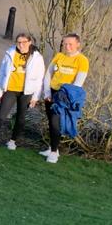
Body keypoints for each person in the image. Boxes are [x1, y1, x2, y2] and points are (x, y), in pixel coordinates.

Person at [0, 33, 45, 152]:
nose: (21, 45)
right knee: (1, 116)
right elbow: (2, 72)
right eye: (18, 42)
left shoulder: (37, 57)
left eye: (24, 42)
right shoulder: (10, 52)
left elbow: (39, 78)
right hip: (10, 90)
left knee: (21, 118)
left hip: (26, 92)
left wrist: (36, 96)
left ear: (29, 42)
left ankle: (12, 141)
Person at [40, 33, 90, 164]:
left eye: (70, 44)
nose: (67, 46)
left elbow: (78, 83)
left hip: (65, 95)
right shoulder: (59, 56)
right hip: (51, 92)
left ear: (77, 44)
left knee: (56, 123)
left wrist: (63, 96)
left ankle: (53, 153)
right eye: (65, 44)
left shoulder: (82, 60)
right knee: (51, 121)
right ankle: (53, 148)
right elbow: (48, 74)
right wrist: (47, 93)